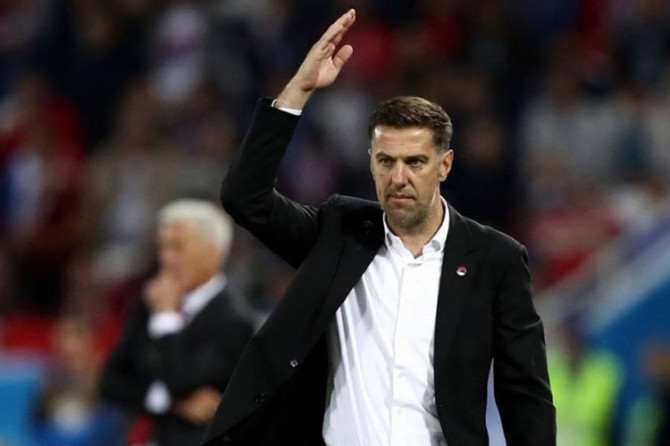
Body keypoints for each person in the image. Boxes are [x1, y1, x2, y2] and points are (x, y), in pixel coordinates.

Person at [203, 9, 555, 446]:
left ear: (444, 165)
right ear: (371, 162)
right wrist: (298, 92)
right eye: (386, 161)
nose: (398, 177)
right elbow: (245, 197)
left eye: (415, 162)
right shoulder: (340, 234)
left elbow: (525, 396)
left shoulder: (494, 259)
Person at [100, 199, 253, 446]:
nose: (166, 259)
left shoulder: (234, 322)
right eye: (162, 247)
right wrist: (171, 405)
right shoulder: (148, 305)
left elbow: (182, 382)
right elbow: (110, 383)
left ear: (214, 253)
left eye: (177, 247)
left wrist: (166, 319)